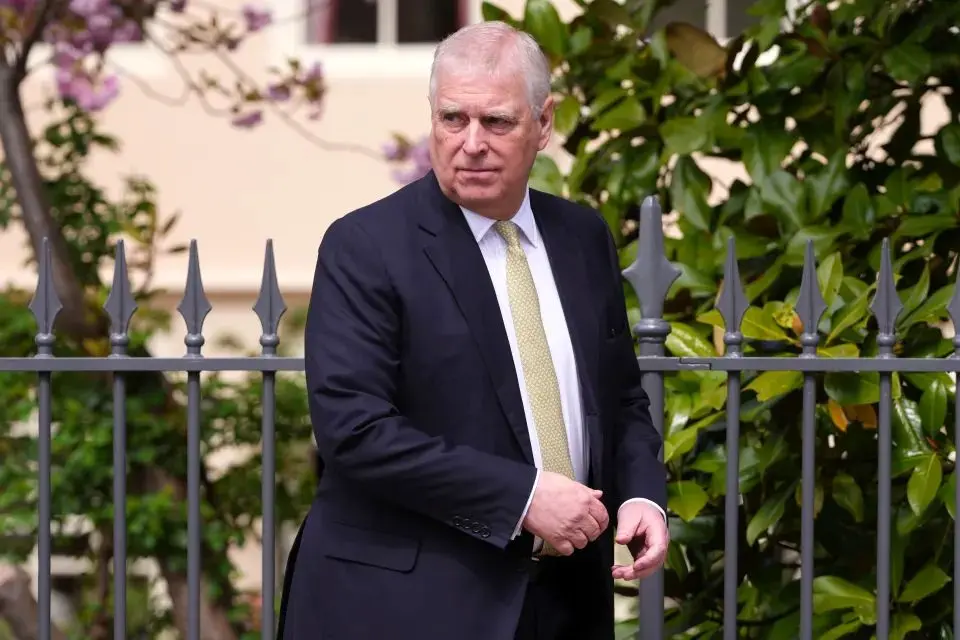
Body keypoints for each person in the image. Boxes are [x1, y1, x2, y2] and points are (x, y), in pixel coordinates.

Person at [277, 20, 669, 640]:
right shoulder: (366, 246)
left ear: (544, 123)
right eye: (453, 119)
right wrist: (524, 497)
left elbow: (620, 400)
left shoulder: (582, 237)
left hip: (565, 603)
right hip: (407, 606)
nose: (472, 143)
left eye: (497, 122)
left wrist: (642, 496)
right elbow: (355, 430)